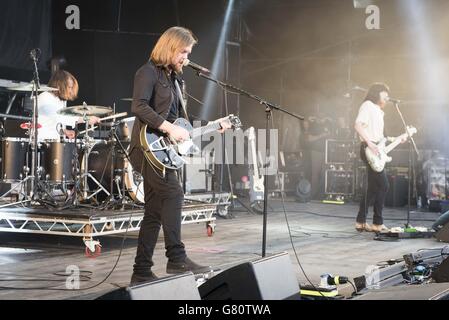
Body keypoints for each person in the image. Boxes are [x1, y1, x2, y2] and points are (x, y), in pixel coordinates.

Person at [128, 26, 232, 285]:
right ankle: (176, 258)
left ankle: (141, 271)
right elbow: (138, 106)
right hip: (146, 149)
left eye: (188, 53)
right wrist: (167, 127)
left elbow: (182, 122)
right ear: (170, 47)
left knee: (153, 211)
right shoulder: (147, 72)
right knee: (174, 194)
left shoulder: (175, 80)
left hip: (163, 152)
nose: (186, 57)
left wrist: (213, 125)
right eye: (183, 51)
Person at [354, 83, 404, 233]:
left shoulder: (379, 111)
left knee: (373, 188)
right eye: (385, 95)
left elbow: (381, 137)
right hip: (369, 148)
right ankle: (377, 223)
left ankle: (360, 221)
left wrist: (398, 139)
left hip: (376, 147)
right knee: (384, 185)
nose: (387, 98)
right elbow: (357, 125)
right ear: (377, 93)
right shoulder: (367, 105)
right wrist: (369, 143)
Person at [37, 70, 100, 141]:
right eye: (69, 87)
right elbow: (58, 117)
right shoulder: (45, 97)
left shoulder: (59, 100)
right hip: (42, 141)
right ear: (59, 85)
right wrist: (85, 119)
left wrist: (64, 131)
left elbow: (53, 122)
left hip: (54, 142)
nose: (70, 91)